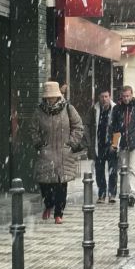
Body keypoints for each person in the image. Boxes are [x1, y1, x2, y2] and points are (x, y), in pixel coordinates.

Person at [30, 81, 84, 224]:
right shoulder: (39, 111)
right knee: (45, 183)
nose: (50, 99)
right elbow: (33, 130)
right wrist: (40, 144)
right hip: (46, 152)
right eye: (48, 97)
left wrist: (71, 143)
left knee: (61, 184)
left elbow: (78, 127)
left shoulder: (68, 109)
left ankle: (58, 213)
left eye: (52, 97)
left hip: (63, 153)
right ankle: (48, 205)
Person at [109, 86, 135, 206]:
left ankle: (133, 194)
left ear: (132, 95)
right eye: (124, 96)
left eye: (128, 96)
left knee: (133, 169)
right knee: (125, 169)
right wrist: (114, 143)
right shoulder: (117, 109)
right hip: (123, 144)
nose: (126, 98)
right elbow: (114, 128)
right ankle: (127, 192)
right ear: (121, 96)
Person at [84, 89, 117, 204]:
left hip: (112, 145)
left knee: (113, 171)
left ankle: (112, 194)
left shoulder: (115, 109)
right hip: (98, 145)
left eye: (106, 96)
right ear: (99, 97)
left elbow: (118, 128)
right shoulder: (93, 109)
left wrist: (115, 143)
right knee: (99, 171)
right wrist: (89, 142)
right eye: (102, 97)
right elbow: (86, 125)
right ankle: (102, 194)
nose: (104, 99)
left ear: (110, 96)